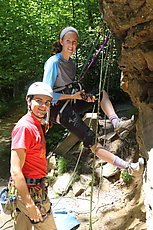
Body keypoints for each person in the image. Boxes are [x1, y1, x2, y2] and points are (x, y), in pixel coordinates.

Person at [42, 26, 144, 175]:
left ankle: (117, 125)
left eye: (74, 42)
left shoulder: (71, 64)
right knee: (90, 138)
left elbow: (68, 87)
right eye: (68, 41)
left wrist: (82, 95)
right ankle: (129, 168)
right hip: (58, 110)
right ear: (61, 42)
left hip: (71, 102)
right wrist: (72, 96)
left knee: (100, 94)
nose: (71, 45)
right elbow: (46, 94)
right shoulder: (53, 63)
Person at [10, 82, 57, 230]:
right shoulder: (25, 128)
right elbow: (15, 170)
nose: (43, 106)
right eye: (39, 101)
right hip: (29, 193)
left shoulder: (36, 124)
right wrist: (29, 204)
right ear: (28, 100)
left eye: (47, 102)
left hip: (34, 189)